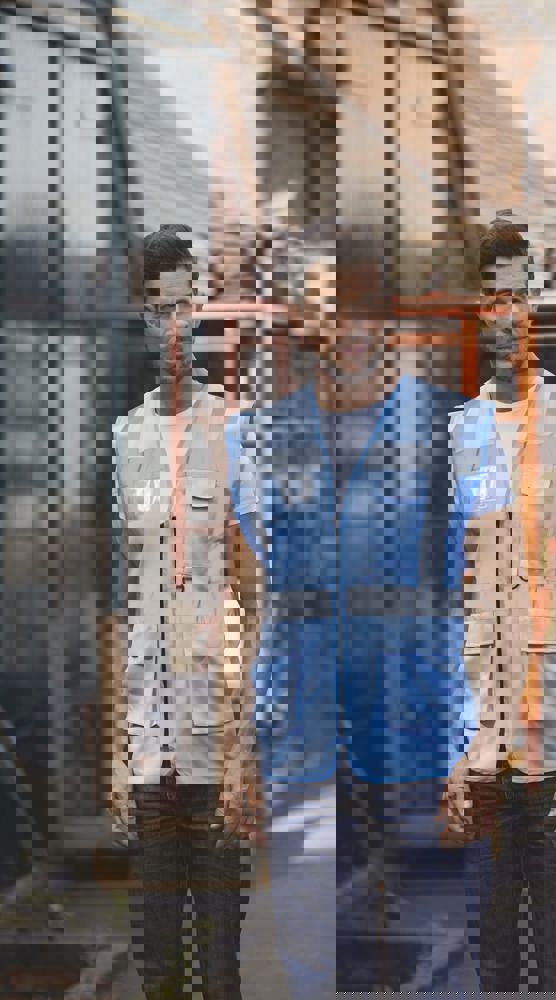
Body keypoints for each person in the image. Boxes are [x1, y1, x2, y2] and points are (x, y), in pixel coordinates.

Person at [225, 223, 506, 995]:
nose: (343, 328)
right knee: (318, 960)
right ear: (299, 323)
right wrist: (237, 749)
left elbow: (492, 587)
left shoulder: (461, 431)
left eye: (359, 309)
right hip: (301, 745)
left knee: (439, 961)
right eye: (323, 310)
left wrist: (484, 740)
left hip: (427, 742)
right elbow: (248, 600)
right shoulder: (252, 440)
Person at [445, 214, 556, 991]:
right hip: (483, 707)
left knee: (555, 940)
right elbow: (449, 580)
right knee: (494, 936)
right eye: (494, 299)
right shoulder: (462, 432)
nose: (507, 314)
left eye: (518, 297)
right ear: (480, 311)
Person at [112, 225, 259, 1000]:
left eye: (181, 307)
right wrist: (115, 749)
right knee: (158, 962)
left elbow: (251, 593)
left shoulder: (233, 431)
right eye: (155, 308)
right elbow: (119, 600)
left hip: (213, 716)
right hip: (147, 726)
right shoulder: (125, 438)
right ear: (139, 314)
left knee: (220, 961)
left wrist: (240, 744)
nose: (169, 325)